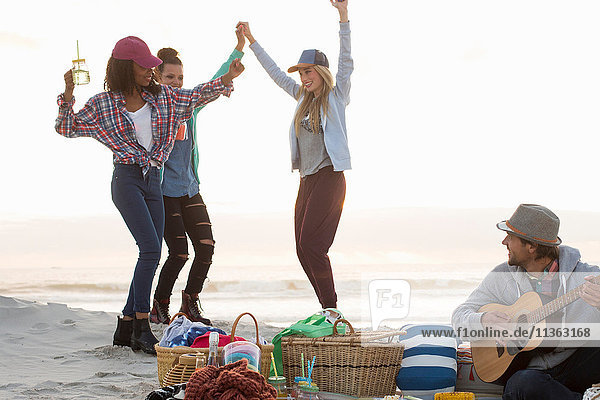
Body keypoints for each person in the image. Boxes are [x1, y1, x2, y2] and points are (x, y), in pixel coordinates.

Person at [55, 36, 244, 354]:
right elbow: (66, 127)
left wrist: (227, 78)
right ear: (128, 68)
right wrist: (69, 94)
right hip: (127, 180)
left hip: (153, 182)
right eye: (145, 65)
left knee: (151, 252)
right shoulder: (105, 104)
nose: (151, 70)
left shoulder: (163, 99)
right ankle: (143, 326)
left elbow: (197, 94)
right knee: (150, 251)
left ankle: (126, 326)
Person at [236, 0, 352, 311]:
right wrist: (252, 41)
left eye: (308, 71)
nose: (303, 77)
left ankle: (331, 308)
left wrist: (343, 16)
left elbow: (346, 60)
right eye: (301, 72)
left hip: (330, 177)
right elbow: (274, 72)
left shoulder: (336, 95)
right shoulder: (301, 97)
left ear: (321, 72)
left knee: (314, 245)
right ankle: (326, 308)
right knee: (302, 248)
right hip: (307, 180)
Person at [452, 204, 600, 400]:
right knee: (521, 384)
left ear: (532, 246)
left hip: (576, 365)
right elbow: (459, 317)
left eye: (510, 237)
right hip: (531, 373)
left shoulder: (587, 277)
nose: (504, 241)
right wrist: (483, 320)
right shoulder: (501, 277)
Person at [149, 29, 246, 325]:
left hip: (189, 188)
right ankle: (159, 305)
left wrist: (238, 49)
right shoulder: (153, 110)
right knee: (179, 253)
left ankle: (190, 302)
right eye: (170, 78)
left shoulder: (190, 107)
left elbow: (214, 82)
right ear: (157, 77)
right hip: (164, 192)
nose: (176, 83)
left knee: (206, 246)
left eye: (180, 78)